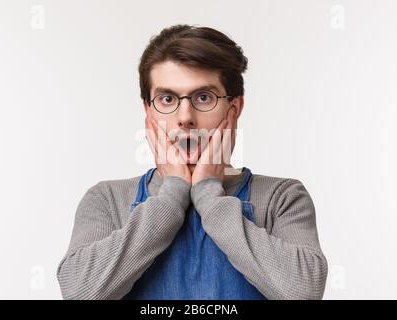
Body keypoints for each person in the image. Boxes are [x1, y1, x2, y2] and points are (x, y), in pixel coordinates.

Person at [56, 24, 328, 300]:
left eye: (203, 97)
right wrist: (171, 193)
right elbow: (80, 293)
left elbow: (303, 293)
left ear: (234, 109)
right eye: (167, 98)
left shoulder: (282, 198)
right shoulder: (107, 199)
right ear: (148, 110)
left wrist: (208, 192)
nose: (185, 116)